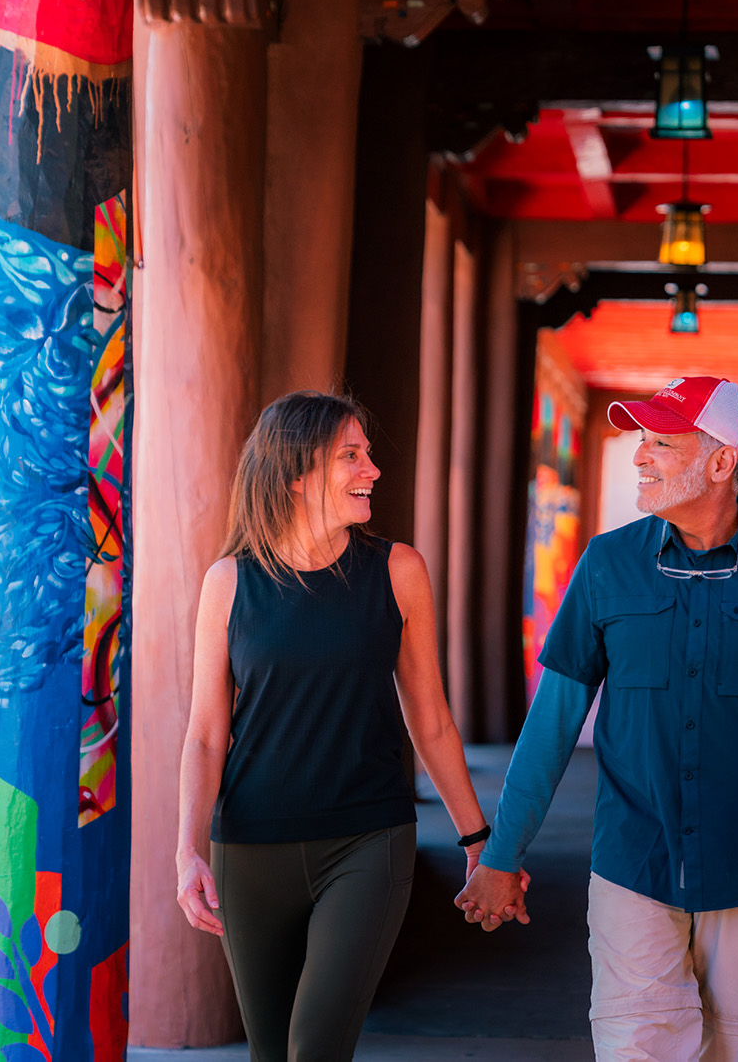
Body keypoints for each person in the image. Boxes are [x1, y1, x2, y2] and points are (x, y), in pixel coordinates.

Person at [456, 376, 738, 1062]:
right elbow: (552, 723)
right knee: (639, 1050)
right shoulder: (606, 565)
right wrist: (501, 853)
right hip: (631, 864)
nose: (641, 456)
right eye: (641, 439)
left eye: (661, 442)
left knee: (731, 1046)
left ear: (721, 461)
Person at [176, 391, 507, 1062]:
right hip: (250, 850)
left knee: (315, 1047)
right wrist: (187, 849)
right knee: (272, 1054)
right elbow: (207, 733)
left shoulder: (398, 570)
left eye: (367, 454)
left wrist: (480, 841)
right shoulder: (228, 582)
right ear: (296, 472)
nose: (373, 469)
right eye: (350, 456)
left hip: (367, 842)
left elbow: (433, 721)